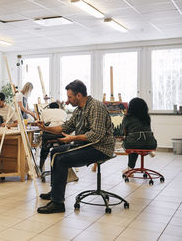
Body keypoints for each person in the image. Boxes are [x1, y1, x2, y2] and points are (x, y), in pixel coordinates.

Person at [36, 80, 115, 214]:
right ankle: (55, 192)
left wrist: (72, 138)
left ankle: (57, 203)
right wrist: (46, 128)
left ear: (79, 95)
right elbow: (65, 127)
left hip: (100, 148)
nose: (67, 100)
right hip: (86, 145)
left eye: (69, 97)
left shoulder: (96, 107)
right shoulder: (79, 110)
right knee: (55, 151)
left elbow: (96, 135)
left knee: (61, 159)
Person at [122, 97, 157, 174]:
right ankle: (149, 151)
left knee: (131, 143)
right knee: (138, 142)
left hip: (134, 142)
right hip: (152, 143)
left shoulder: (127, 118)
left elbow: (125, 133)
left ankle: (130, 168)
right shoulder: (147, 117)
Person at [39, 102, 67, 172]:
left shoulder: (44, 112)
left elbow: (42, 124)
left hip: (49, 135)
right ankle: (66, 169)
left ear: (49, 107)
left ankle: (40, 168)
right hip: (61, 134)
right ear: (58, 107)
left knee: (44, 150)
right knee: (64, 150)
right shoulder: (63, 112)